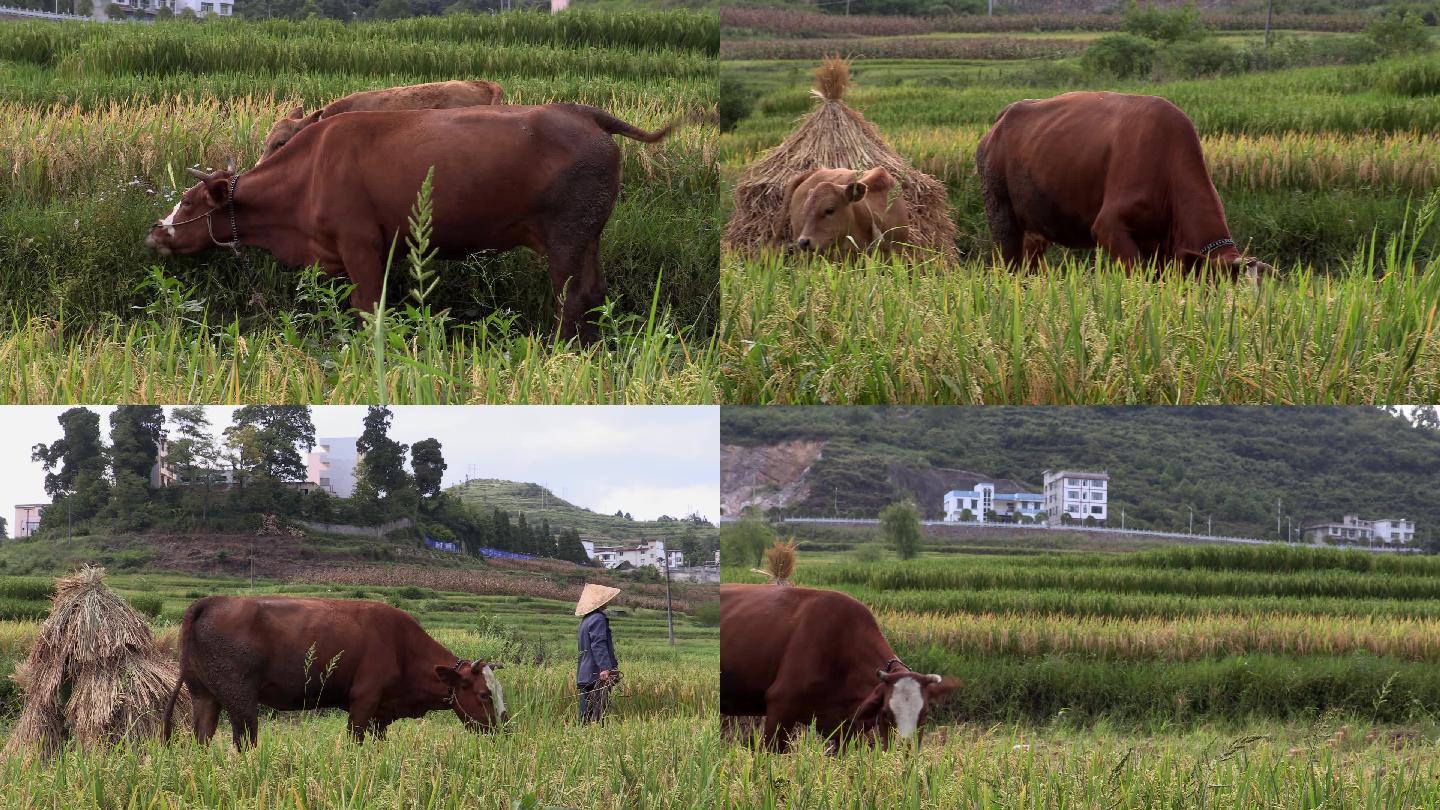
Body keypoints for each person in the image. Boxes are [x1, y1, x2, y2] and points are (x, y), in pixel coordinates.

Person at [574, 583, 620, 724]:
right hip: (596, 674)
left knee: (585, 716)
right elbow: (598, 644)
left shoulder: (586, 620)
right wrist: (605, 668)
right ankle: (596, 740)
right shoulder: (598, 618)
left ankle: (583, 739)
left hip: (585, 674)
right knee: (598, 715)